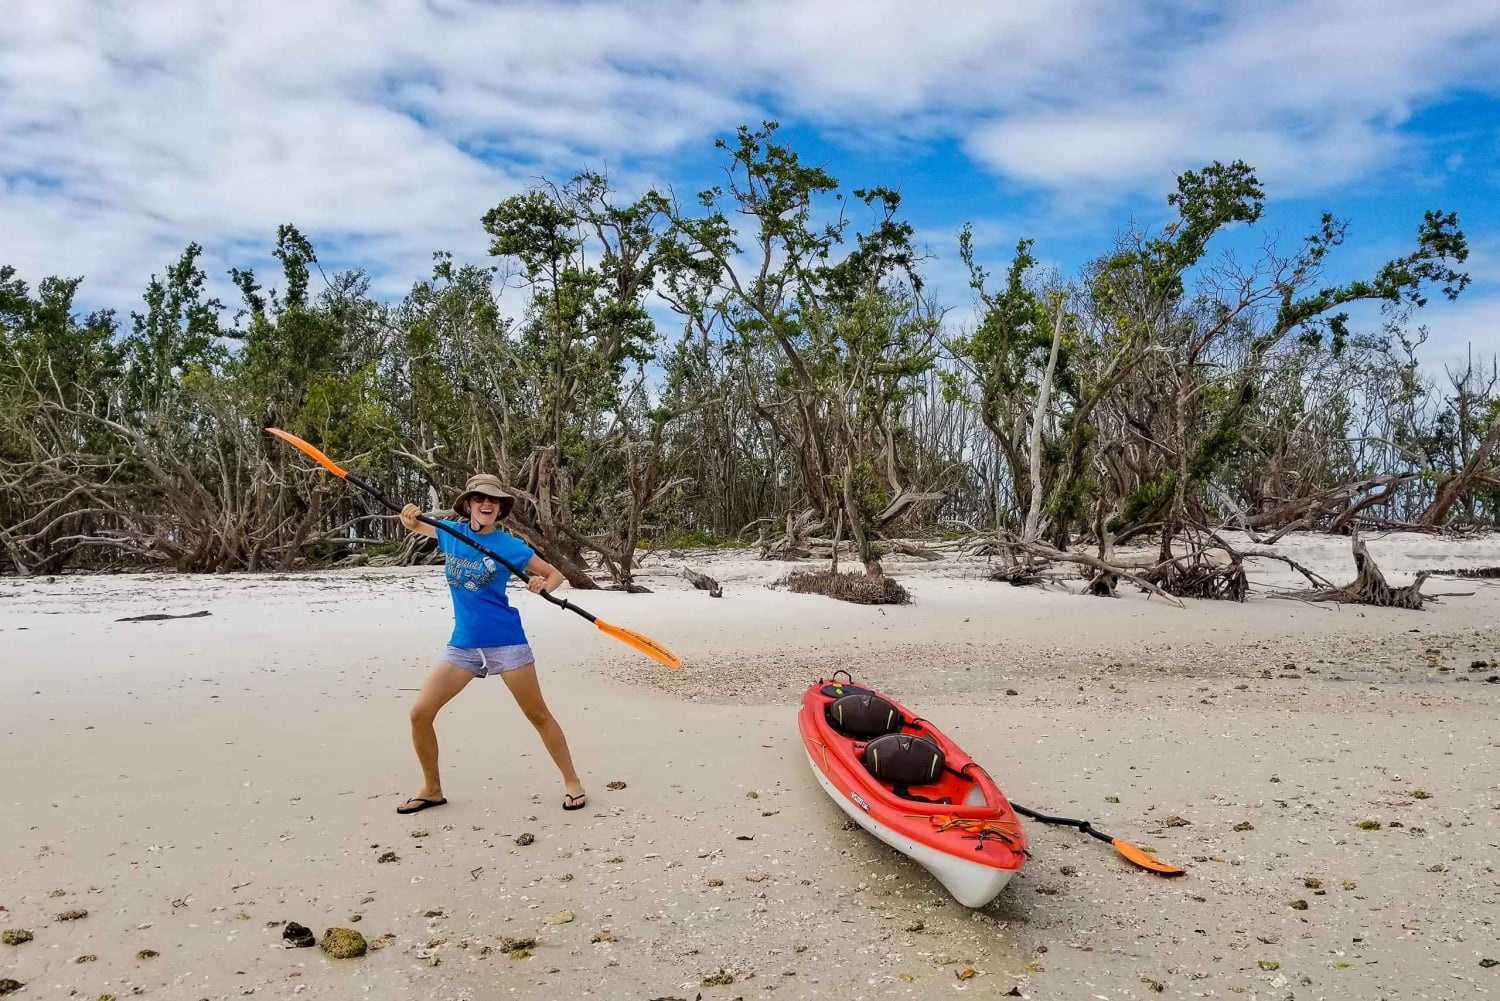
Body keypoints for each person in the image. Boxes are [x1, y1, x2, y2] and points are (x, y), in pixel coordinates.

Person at [394, 473, 586, 815]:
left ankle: (572, 782)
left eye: (494, 501)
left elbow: (554, 574)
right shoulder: (450, 534)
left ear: (500, 508)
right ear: (468, 504)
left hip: (506, 642)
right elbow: (415, 525)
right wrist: (408, 516)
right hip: (464, 645)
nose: (487, 504)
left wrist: (544, 586)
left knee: (537, 714)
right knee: (419, 713)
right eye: (480, 498)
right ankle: (432, 789)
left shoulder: (511, 546)